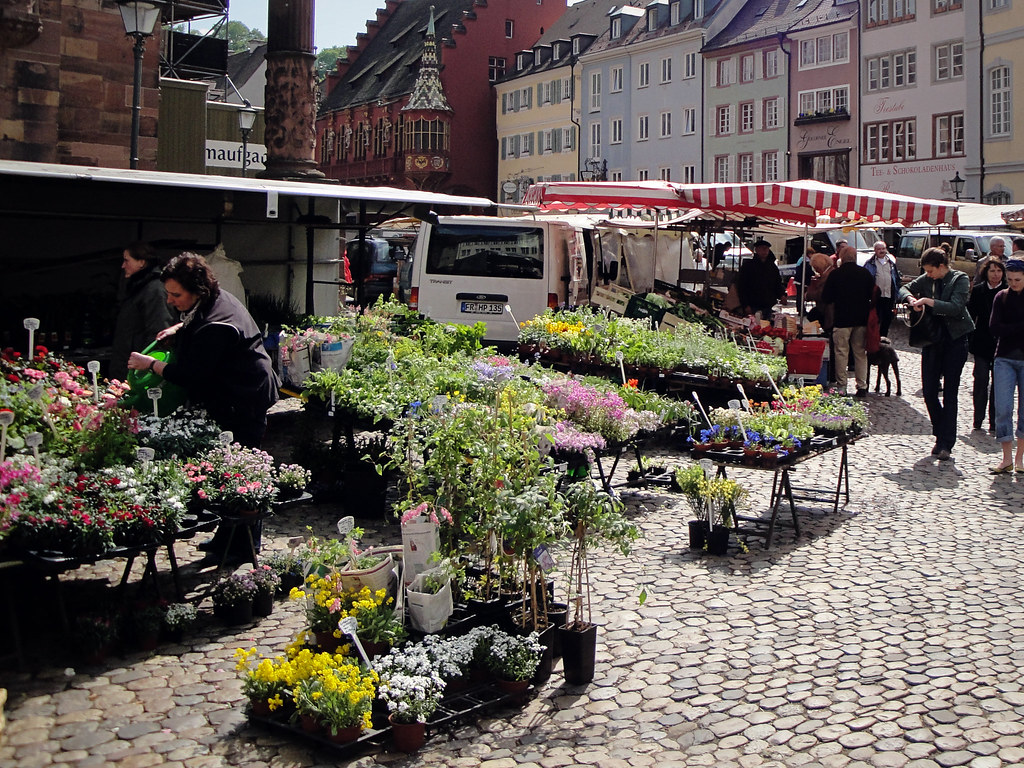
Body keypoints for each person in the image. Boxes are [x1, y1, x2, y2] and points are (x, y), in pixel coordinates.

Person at [127, 253, 279, 561]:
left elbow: (191, 375)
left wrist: (151, 364)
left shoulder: (217, 323)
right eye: (168, 293)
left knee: (243, 472)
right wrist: (177, 329)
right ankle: (226, 538)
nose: (170, 301)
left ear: (197, 289)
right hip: (235, 394)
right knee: (229, 467)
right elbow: (197, 321)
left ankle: (244, 547)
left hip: (244, 397)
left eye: (176, 294)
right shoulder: (213, 299)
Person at [899, 247, 975, 461]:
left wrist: (929, 302)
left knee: (950, 392)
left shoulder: (958, 279)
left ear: (942, 267)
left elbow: (957, 307)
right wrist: (911, 299)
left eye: (931, 271)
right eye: (927, 272)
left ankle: (945, 443)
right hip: (932, 340)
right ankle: (940, 432)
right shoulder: (926, 279)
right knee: (930, 391)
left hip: (955, 339)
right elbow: (904, 288)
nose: (928, 275)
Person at [109, 243, 174, 381]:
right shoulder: (137, 288)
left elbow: (158, 331)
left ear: (141, 262)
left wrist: (146, 366)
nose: (123, 266)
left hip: (139, 369)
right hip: (127, 363)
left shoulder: (154, 290)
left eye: (127, 260)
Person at [821, 246, 874, 397]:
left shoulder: (835, 274)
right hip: (861, 320)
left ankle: (842, 386)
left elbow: (826, 298)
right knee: (860, 353)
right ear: (855, 257)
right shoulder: (865, 273)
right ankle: (862, 386)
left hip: (841, 319)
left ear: (841, 258)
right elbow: (874, 294)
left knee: (841, 353)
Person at [988, 258, 1024, 474]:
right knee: (1002, 408)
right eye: (1009, 279)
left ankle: (1020, 459)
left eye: (1017, 279)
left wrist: (1008, 328)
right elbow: (994, 328)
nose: (1013, 283)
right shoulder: (1001, 297)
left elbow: (1002, 328)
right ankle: (1006, 458)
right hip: (1004, 357)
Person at [968, 259, 1006, 432]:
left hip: (1003, 343)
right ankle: (978, 418)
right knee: (981, 380)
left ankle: (994, 421)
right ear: (986, 272)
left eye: (999, 271)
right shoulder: (978, 290)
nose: (996, 274)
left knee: (998, 384)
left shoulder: (1008, 292)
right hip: (982, 342)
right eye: (992, 271)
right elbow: (971, 315)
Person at [735, 238, 784, 318]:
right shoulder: (748, 266)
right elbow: (742, 286)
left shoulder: (772, 267)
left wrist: (782, 294)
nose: (764, 251)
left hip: (768, 304)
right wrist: (745, 304)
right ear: (757, 250)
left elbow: (777, 283)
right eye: (762, 249)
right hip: (753, 304)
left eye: (766, 249)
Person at [864, 241, 901, 338]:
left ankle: (883, 337)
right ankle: (874, 337)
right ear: (875, 250)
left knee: (887, 318)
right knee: (876, 318)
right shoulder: (869, 264)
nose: (881, 251)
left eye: (883, 249)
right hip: (876, 296)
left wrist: (897, 294)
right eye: (879, 249)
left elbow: (896, 279)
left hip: (888, 295)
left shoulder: (891, 263)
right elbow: (866, 280)